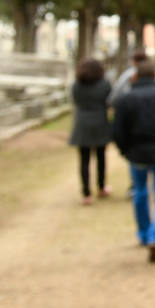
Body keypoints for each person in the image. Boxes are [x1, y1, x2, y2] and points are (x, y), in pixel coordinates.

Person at [112, 59, 155, 262]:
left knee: (140, 193)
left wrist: (125, 151)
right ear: (154, 76)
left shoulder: (126, 99)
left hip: (137, 155)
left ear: (135, 77)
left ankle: (144, 234)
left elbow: (117, 130)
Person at [68, 58, 112, 205]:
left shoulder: (77, 85)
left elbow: (74, 99)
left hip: (82, 123)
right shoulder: (104, 84)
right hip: (99, 121)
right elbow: (109, 101)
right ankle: (101, 187)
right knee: (101, 157)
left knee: (84, 160)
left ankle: (86, 193)